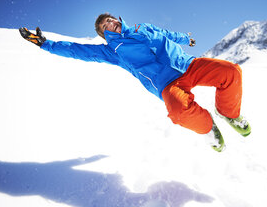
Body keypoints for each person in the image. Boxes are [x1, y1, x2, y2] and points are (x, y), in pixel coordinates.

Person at [19, 13, 251, 152]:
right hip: (167, 84)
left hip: (186, 65)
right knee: (179, 111)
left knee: (231, 72)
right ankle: (209, 129)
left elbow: (167, 34)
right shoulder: (113, 51)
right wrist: (46, 44)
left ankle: (229, 113)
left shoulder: (142, 28)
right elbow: (80, 51)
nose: (109, 23)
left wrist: (186, 39)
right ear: (104, 34)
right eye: (104, 26)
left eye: (110, 19)